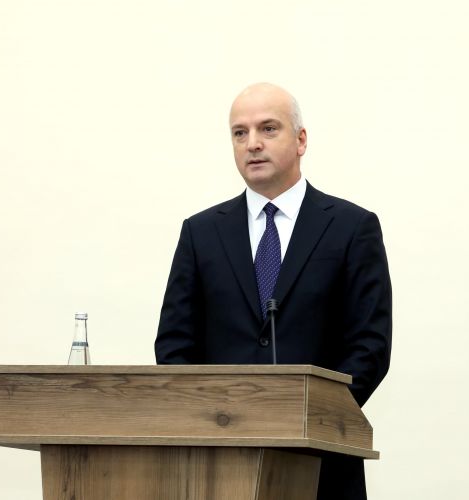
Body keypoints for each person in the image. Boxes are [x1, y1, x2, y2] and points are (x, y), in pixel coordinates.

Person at [155, 82, 392, 500]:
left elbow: (369, 346)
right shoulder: (201, 233)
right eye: (240, 133)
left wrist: (306, 416)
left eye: (268, 129)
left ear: (301, 140)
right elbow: (175, 345)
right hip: (217, 465)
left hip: (321, 464)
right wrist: (215, 418)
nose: (252, 144)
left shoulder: (352, 228)